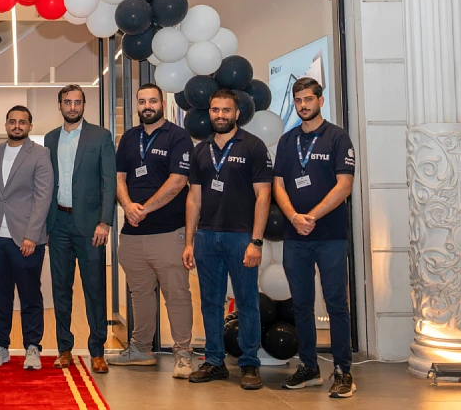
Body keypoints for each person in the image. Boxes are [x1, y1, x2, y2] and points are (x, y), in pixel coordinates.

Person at [183, 89, 273, 390]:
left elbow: (264, 196)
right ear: (209, 113)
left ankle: (249, 364)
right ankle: (214, 361)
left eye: (226, 110)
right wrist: (189, 241)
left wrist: (256, 241)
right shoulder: (201, 150)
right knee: (210, 301)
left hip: (241, 236)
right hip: (207, 237)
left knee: (247, 301)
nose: (220, 115)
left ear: (237, 114)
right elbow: (193, 200)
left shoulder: (253, 147)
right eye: (215, 110)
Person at [273, 77, 356, 399]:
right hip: (296, 237)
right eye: (298, 101)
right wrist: (294, 216)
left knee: (336, 304)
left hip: (330, 236)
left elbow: (344, 185)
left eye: (308, 99)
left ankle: (342, 371)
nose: (303, 105)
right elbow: (278, 184)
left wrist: (313, 216)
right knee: (302, 306)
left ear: (320, 101)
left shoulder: (338, 138)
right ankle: (308, 367)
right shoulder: (287, 140)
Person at [110, 83, 195, 378]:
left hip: (168, 231)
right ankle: (141, 349)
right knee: (140, 295)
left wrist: (143, 208)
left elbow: (178, 181)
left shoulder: (178, 136)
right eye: (142, 101)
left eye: (153, 101)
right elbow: (118, 178)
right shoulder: (129, 138)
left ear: (161, 103)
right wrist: (128, 205)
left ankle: (183, 353)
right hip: (132, 234)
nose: (147, 106)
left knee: (177, 294)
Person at [43, 84, 115, 374]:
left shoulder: (100, 136)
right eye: (67, 102)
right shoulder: (49, 139)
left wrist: (104, 221)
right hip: (57, 223)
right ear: (59, 105)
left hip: (90, 226)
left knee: (95, 289)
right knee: (61, 289)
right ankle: (64, 349)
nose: (72, 107)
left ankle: (97, 351)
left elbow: (108, 181)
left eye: (77, 102)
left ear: (84, 105)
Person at [0, 106, 54, 370]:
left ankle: (32, 347)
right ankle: (0, 347)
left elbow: (42, 196)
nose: (17, 126)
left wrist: (32, 235)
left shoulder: (41, 154)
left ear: (30, 126)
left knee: (30, 295)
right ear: (6, 125)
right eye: (12, 121)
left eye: (23, 122)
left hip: (26, 239)